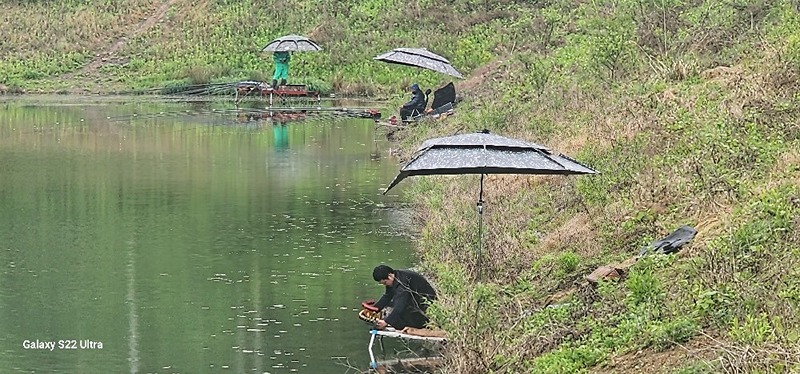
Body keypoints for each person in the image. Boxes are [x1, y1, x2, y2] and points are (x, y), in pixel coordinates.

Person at [371, 264, 437, 330]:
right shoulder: (396, 276)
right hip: (416, 303)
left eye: (385, 283)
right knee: (391, 305)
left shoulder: (402, 283)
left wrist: (386, 322)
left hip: (427, 310)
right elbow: (387, 296)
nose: (385, 285)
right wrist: (374, 309)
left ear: (390, 276)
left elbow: (400, 304)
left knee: (398, 313)